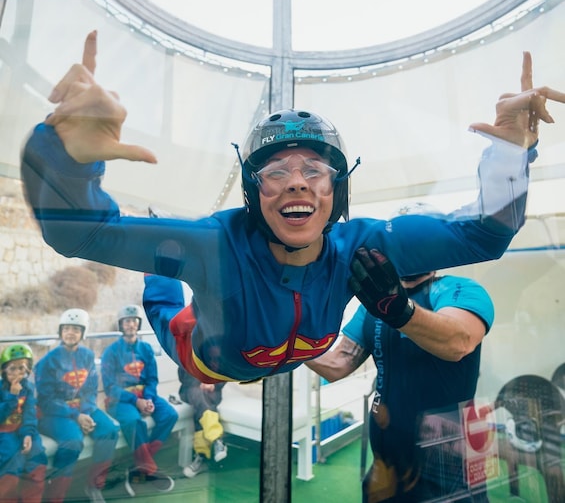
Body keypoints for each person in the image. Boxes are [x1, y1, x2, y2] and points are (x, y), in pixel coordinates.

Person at [20, 30, 565, 384]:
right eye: (275, 173)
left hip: (281, 346)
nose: (296, 185)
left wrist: (510, 153)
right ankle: (162, 278)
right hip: (204, 357)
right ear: (254, 194)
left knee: (176, 266)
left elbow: (483, 237)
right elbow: (83, 236)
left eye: (315, 171)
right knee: (165, 300)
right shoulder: (214, 243)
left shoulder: (363, 245)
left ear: (338, 192)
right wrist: (65, 159)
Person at [307, 203, 495, 502]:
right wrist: (286, 347)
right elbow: (339, 362)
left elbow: (458, 342)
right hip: (387, 464)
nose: (412, 247)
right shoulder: (374, 299)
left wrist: (399, 310)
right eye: (405, 239)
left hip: (448, 462)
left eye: (420, 238)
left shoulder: (459, 289)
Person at [142, 272, 228, 478]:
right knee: (200, 396)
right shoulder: (189, 339)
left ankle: (201, 456)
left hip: (210, 392)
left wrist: (213, 384)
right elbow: (185, 372)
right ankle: (216, 438)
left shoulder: (218, 343)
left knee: (204, 404)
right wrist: (202, 383)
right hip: (189, 389)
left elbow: (225, 370)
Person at [34, 309, 119, 503]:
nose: (70, 333)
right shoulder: (47, 362)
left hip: (83, 409)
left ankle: (93, 485)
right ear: (60, 332)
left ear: (83, 333)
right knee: (73, 442)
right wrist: (76, 415)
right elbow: (45, 401)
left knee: (110, 431)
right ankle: (54, 497)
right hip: (55, 414)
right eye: (66, 329)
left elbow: (90, 389)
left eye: (75, 329)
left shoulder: (88, 356)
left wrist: (85, 412)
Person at [100, 304, 177, 496]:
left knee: (169, 414)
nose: (131, 324)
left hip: (145, 394)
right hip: (120, 399)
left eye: (134, 320)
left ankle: (140, 463)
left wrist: (149, 399)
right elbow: (110, 386)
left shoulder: (146, 349)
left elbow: (152, 378)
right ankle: (149, 468)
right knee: (135, 421)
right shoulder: (111, 352)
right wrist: (136, 402)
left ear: (138, 323)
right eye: (126, 321)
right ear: (121, 325)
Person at [0, 344, 47, 503]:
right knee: (11, 461)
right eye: (12, 368)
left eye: (21, 368)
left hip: (22, 430)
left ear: (28, 370)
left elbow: (30, 414)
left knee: (37, 457)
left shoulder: (28, 388)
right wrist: (12, 397)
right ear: (3, 371)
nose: (17, 373)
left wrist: (28, 434)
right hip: (4, 432)